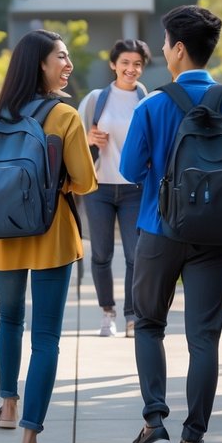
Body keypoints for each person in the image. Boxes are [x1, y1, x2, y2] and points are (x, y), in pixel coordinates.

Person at [119, 6, 222, 443]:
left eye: (166, 44)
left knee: (149, 324)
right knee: (204, 336)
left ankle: (154, 422)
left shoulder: (152, 104)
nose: (164, 51)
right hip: (218, 237)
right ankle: (193, 436)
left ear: (179, 49)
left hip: (158, 229)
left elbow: (130, 171)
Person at [0, 30, 96, 443]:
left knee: (9, 320)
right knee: (45, 338)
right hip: (50, 234)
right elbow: (85, 181)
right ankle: (29, 442)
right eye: (61, 58)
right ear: (41, 65)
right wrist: (61, 181)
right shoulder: (64, 115)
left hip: (2, 234)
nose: (67, 65)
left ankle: (8, 405)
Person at [76, 38, 150, 338]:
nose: (130, 69)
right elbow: (74, 143)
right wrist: (89, 140)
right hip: (99, 187)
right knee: (101, 254)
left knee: (136, 256)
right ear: (113, 64)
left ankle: (132, 316)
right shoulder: (95, 99)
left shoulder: (145, 100)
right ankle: (107, 312)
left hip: (134, 187)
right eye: (125, 63)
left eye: (137, 64)